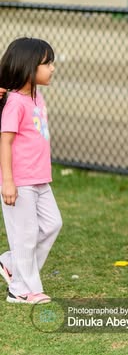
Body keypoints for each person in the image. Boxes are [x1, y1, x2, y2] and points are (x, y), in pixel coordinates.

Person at [0, 38, 62, 305]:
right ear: (28, 67)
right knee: (24, 236)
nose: (52, 68)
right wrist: (8, 182)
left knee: (52, 224)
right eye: (46, 63)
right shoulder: (14, 102)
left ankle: (10, 263)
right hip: (19, 181)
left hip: (40, 179)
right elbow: (5, 142)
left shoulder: (36, 96)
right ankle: (22, 290)